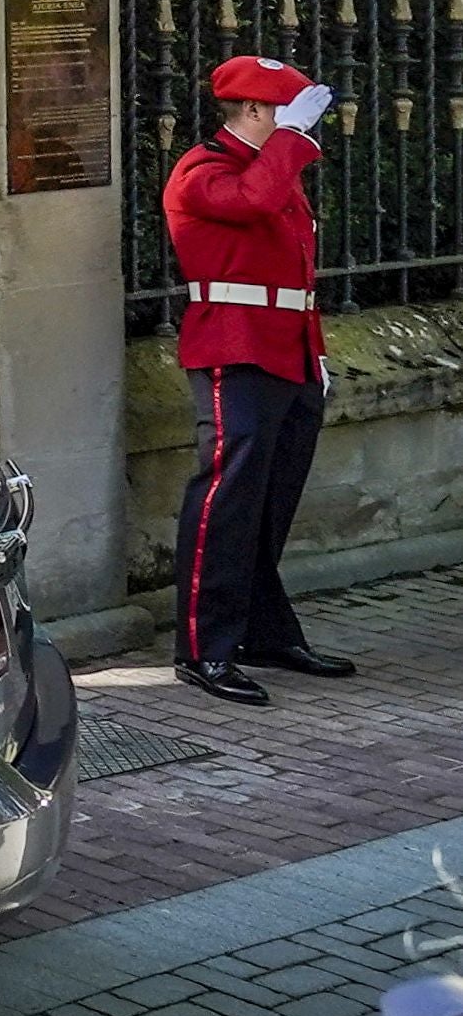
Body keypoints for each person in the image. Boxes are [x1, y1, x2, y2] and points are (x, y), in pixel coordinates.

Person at [162, 53, 358, 704]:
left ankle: (263, 630)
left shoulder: (266, 168)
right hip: (235, 349)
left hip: (289, 352)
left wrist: (315, 352)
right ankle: (203, 647)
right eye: (286, 111)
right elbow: (252, 203)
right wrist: (293, 141)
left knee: (270, 501)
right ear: (253, 111)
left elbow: (295, 270)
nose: (302, 125)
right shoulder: (203, 170)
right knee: (228, 499)